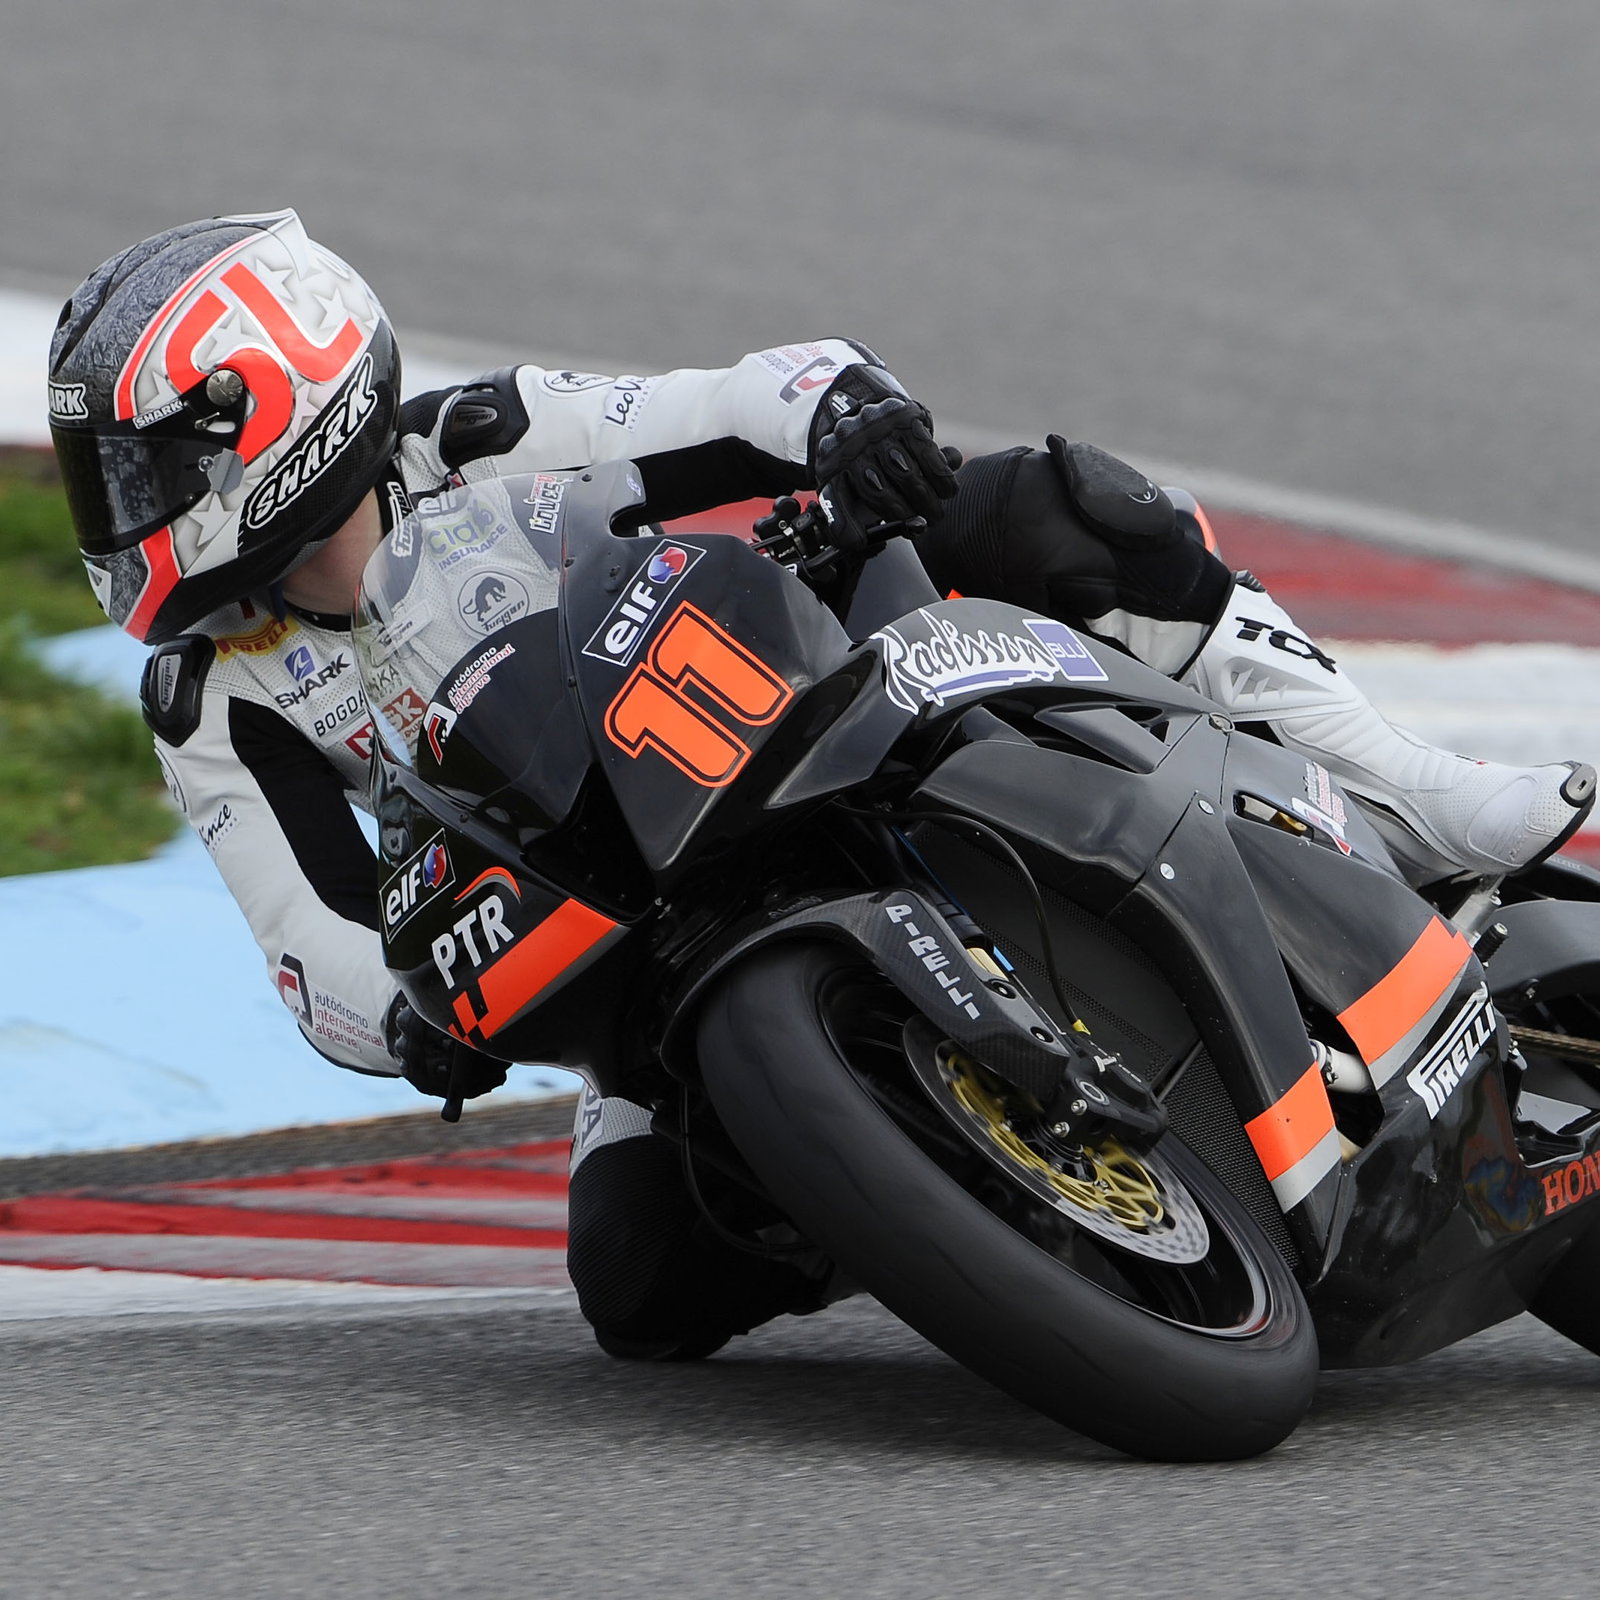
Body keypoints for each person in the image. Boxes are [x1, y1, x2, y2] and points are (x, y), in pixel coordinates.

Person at [48, 209, 1595, 1356]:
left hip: (784, 714)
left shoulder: (481, 436)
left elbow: (729, 398)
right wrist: (398, 1015)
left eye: (139, 474)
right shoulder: (210, 693)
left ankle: (1405, 792)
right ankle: (940, 1176)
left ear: (272, 406)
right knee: (637, 1283)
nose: (119, 519)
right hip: (620, 941)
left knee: (1060, 506)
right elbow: (298, 937)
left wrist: (845, 418)